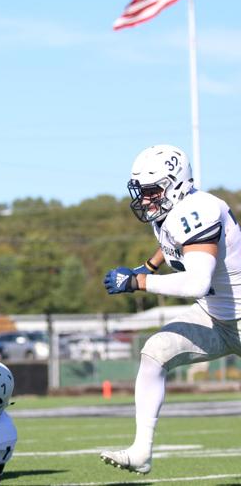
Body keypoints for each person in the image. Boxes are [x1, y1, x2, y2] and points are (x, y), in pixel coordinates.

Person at [100, 144, 241, 475]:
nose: (145, 198)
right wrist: (148, 266)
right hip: (215, 318)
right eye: (142, 190)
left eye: (152, 190)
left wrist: (137, 283)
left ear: (176, 184)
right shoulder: (171, 213)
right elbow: (173, 241)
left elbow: (195, 283)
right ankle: (141, 451)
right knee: (155, 351)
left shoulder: (199, 210)